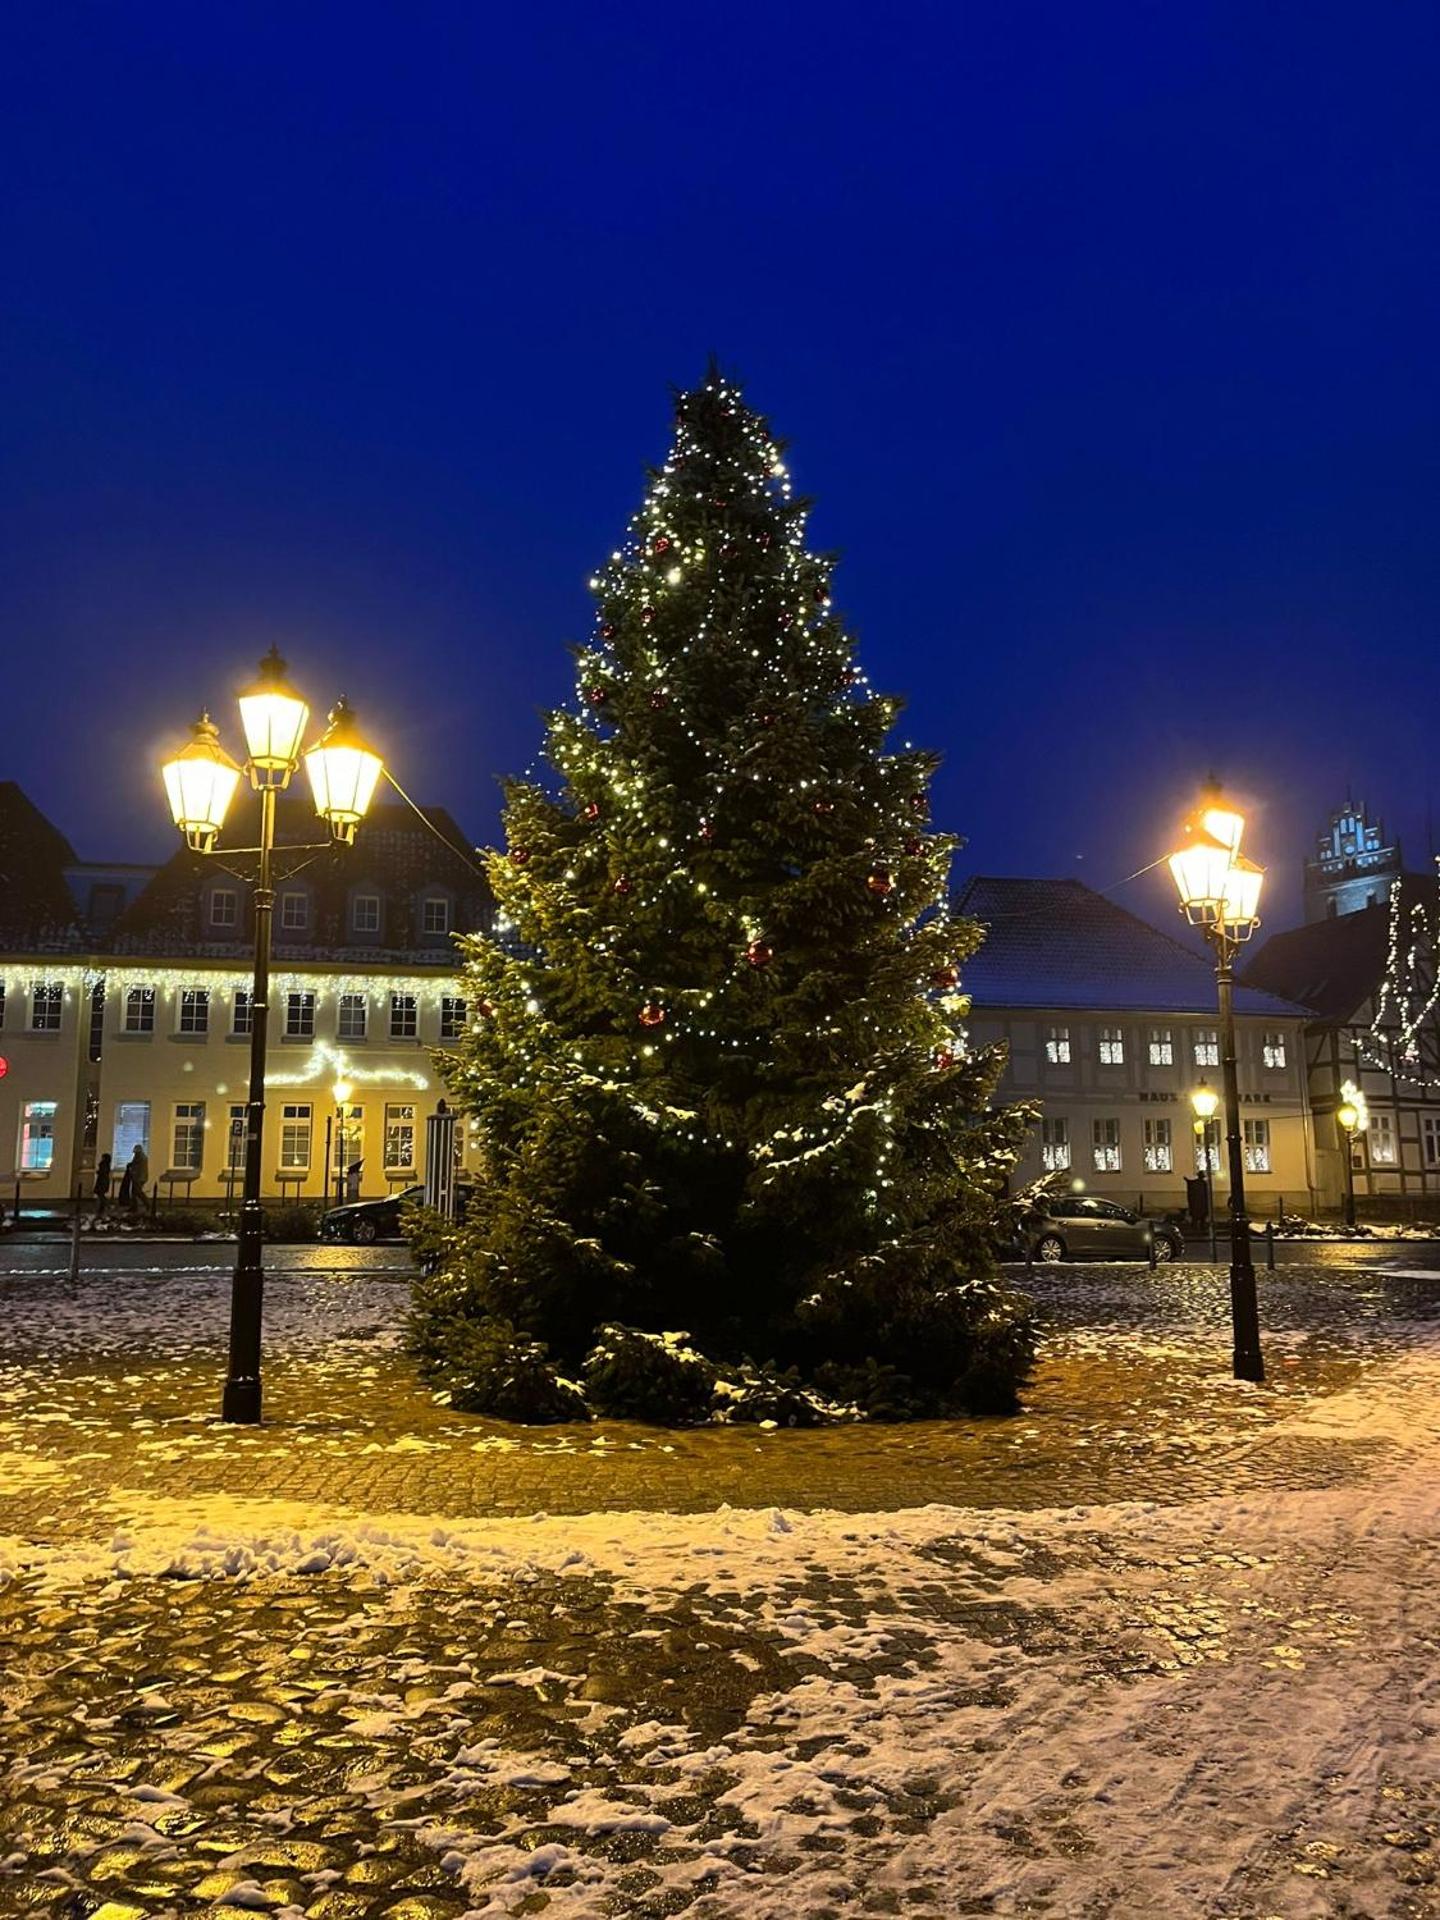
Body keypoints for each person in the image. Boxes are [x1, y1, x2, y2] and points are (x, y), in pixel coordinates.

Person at [125, 1141, 149, 1217]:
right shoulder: (141, 1157)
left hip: (139, 1178)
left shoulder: (140, 1157)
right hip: (139, 1177)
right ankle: (134, 1207)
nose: (134, 1153)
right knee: (134, 1193)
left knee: (138, 1192)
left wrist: (131, 1167)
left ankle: (147, 1205)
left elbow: (137, 1167)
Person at [92, 1152, 112, 1226]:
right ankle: (103, 1207)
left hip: (101, 1181)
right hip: (103, 1181)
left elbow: (102, 1172)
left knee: (100, 1195)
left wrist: (98, 1172)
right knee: (101, 1194)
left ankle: (106, 1205)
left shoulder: (103, 1164)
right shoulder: (107, 1164)